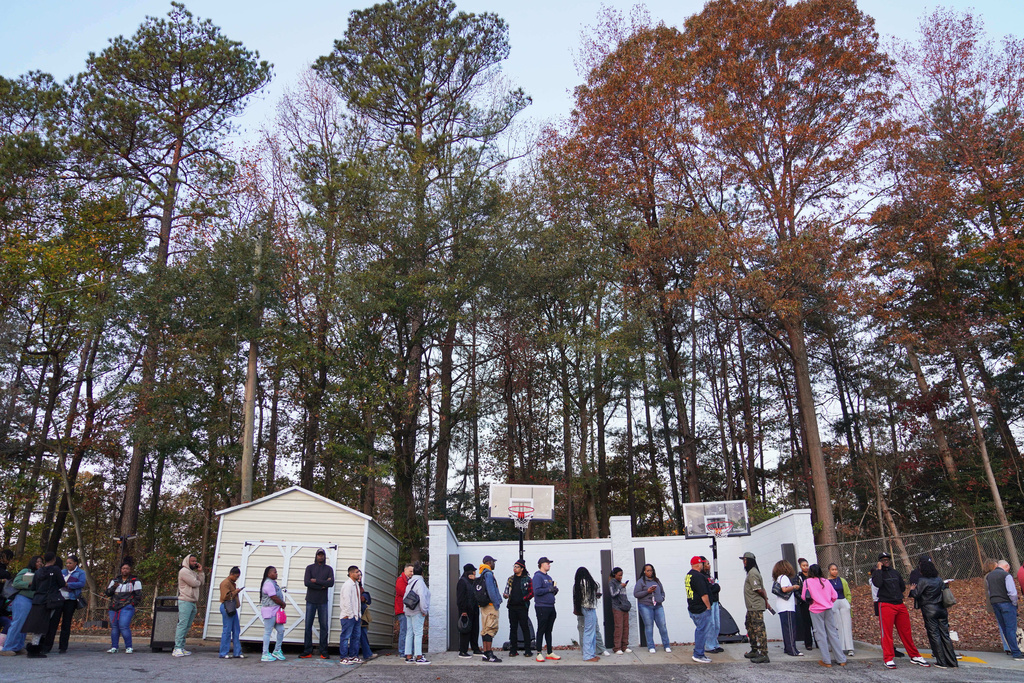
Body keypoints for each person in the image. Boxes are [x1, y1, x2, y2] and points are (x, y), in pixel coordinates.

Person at [871, 552, 929, 669]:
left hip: (899, 603)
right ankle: (888, 658)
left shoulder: (895, 572)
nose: (885, 561)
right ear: (879, 562)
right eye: (883, 559)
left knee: (906, 631)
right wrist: (878, 570)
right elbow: (878, 583)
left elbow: (902, 586)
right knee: (887, 633)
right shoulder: (877, 573)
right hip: (886, 604)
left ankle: (914, 655)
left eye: (887, 559)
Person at [911, 559, 957, 668]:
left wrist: (913, 589)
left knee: (934, 635)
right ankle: (952, 661)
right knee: (945, 635)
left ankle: (941, 661)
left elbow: (916, 594)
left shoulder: (922, 580)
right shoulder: (939, 580)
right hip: (941, 608)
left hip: (929, 609)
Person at [801, 564, 846, 668]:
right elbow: (834, 596)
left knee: (820, 634)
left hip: (816, 610)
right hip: (828, 609)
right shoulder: (826, 581)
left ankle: (827, 660)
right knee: (833, 633)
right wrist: (827, 601)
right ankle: (841, 659)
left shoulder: (807, 582)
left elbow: (804, 596)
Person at [22, 552, 65, 658]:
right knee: (44, 624)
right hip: (50, 600)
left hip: (38, 600)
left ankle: (35, 646)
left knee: (37, 624)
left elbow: (34, 587)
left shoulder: (39, 571)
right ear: (54, 559)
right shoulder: (56, 570)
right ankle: (36, 648)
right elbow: (61, 584)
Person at [0, 555, 40, 656]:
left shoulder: (39, 573)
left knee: (25, 625)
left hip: (31, 600)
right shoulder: (26, 570)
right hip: (22, 599)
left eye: (41, 562)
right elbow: (16, 583)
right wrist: (29, 584)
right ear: (33, 562)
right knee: (17, 623)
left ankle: (18, 647)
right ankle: (7, 648)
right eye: (38, 561)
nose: (40, 563)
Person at [300, 548, 334, 659]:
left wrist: (316, 581)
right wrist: (323, 585)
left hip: (323, 601)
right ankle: (307, 651)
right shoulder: (309, 568)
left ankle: (323, 651)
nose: (320, 557)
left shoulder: (329, 569)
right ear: (316, 556)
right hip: (310, 600)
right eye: (319, 555)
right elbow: (307, 582)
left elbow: (331, 583)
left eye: (322, 555)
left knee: (324, 626)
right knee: (308, 626)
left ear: (324, 557)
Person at [985, 559, 1023, 660]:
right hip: (1006, 603)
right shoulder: (1006, 576)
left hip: (995, 603)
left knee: (1004, 628)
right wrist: (1014, 604)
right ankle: (1016, 653)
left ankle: (1011, 649)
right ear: (1006, 566)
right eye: (1008, 569)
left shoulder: (989, 576)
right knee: (1011, 628)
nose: (1008, 571)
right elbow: (1012, 593)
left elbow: (989, 591)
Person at [105, 557, 141, 654]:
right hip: (114, 606)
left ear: (130, 570)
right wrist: (113, 587)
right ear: (121, 570)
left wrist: (131, 604)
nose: (125, 570)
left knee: (124, 625)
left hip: (127, 605)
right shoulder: (115, 580)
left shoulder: (134, 580)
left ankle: (129, 646)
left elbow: (138, 596)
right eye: (123, 568)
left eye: (127, 568)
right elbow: (107, 593)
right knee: (114, 626)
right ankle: (114, 647)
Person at [51, 554, 85, 654]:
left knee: (66, 623)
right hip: (59, 598)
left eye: (70, 563)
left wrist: (68, 584)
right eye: (67, 563)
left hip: (71, 599)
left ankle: (63, 647)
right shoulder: (62, 572)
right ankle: (48, 645)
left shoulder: (80, 573)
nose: (68, 565)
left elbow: (81, 583)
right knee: (54, 622)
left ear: (75, 563)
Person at [740, 551, 770, 664]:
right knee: (749, 625)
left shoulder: (753, 573)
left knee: (759, 629)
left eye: (745, 560)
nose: (744, 562)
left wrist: (765, 600)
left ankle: (764, 654)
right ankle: (754, 649)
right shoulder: (751, 572)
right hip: (751, 607)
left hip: (755, 606)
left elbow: (758, 589)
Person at [635, 563, 672, 655]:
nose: (650, 572)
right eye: (648, 570)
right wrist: (647, 591)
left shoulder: (657, 580)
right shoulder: (641, 581)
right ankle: (651, 646)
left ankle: (666, 645)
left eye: (651, 570)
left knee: (662, 625)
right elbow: (636, 594)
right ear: (644, 571)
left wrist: (662, 598)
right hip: (646, 606)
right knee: (649, 626)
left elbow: (662, 591)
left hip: (658, 605)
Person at [172, 553, 205, 657]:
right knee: (182, 625)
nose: (195, 563)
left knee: (187, 626)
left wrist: (200, 572)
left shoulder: (192, 572)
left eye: (195, 561)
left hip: (192, 601)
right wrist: (197, 581)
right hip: (185, 601)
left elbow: (201, 582)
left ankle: (181, 647)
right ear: (187, 561)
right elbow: (195, 583)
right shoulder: (184, 571)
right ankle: (177, 648)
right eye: (192, 561)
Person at [503, 559, 534, 658]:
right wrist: (505, 595)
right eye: (514, 566)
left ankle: (528, 650)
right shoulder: (510, 579)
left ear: (522, 568)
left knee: (525, 627)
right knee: (513, 628)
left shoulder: (527, 579)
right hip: (512, 606)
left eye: (517, 567)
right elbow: (506, 590)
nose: (514, 568)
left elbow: (531, 593)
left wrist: (523, 599)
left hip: (522, 607)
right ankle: (513, 650)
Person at [771, 559, 802, 657]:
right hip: (787, 607)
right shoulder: (784, 577)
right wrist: (794, 587)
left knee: (786, 629)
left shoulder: (779, 578)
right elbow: (784, 589)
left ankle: (787, 648)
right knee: (790, 629)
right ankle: (792, 649)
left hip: (781, 607)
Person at [533, 556, 560, 662]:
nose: (549, 565)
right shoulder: (537, 577)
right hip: (542, 606)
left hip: (550, 606)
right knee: (541, 629)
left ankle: (549, 651)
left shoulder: (548, 577)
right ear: (542, 564)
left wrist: (554, 591)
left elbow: (548, 591)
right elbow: (537, 591)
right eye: (547, 563)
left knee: (549, 630)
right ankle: (539, 652)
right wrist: (549, 589)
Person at [684, 557, 711, 663]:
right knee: (701, 631)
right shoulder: (698, 576)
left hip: (692, 607)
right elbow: (704, 594)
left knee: (700, 630)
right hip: (700, 608)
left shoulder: (689, 575)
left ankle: (700, 653)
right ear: (699, 564)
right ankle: (698, 654)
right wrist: (708, 607)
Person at [403, 560, 430, 664]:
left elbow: (405, 596)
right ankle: (419, 656)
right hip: (417, 611)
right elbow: (423, 597)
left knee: (409, 633)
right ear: (422, 573)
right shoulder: (420, 583)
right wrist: (424, 610)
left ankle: (408, 655)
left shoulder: (410, 582)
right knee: (418, 633)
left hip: (408, 610)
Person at [573, 566, 601, 662]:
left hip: (584, 607)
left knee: (590, 631)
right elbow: (595, 587)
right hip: (589, 607)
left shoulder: (578, 583)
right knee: (589, 632)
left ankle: (591, 653)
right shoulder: (585, 582)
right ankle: (588, 655)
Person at [478, 555, 502, 662]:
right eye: (493, 562)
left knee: (485, 629)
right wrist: (496, 603)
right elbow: (491, 590)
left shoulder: (482, 573)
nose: (494, 564)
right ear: (488, 562)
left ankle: (485, 653)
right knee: (490, 629)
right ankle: (489, 654)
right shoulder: (488, 574)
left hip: (484, 606)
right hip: (491, 606)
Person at [260, 566, 286, 662]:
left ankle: (277, 650)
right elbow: (273, 597)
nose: (276, 574)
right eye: (274, 572)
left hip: (276, 611)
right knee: (268, 632)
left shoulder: (273, 583)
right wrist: (282, 603)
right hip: (269, 611)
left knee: (281, 630)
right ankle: (265, 653)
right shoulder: (268, 584)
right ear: (269, 574)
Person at [827, 563, 854, 657]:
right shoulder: (827, 582)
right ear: (829, 571)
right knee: (837, 626)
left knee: (846, 625)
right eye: (832, 569)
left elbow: (847, 592)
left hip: (843, 601)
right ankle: (840, 647)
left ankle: (850, 648)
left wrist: (848, 602)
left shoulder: (842, 580)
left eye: (836, 569)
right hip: (833, 603)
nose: (834, 571)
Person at [339, 565, 363, 665]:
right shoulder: (348, 585)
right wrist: (350, 614)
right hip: (348, 616)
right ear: (351, 573)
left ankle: (353, 655)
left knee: (356, 637)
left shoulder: (356, 585)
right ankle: (343, 657)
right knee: (345, 636)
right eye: (357, 572)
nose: (359, 574)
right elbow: (347, 601)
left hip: (356, 616)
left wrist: (358, 614)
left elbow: (357, 600)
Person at [456, 563, 481, 658]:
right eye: (473, 571)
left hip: (474, 608)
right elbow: (460, 598)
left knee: (475, 629)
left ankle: (475, 648)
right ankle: (463, 650)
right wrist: (463, 610)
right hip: (466, 610)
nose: (475, 573)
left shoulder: (472, 582)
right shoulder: (462, 582)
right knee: (465, 630)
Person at [218, 566, 243, 659]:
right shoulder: (225, 583)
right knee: (227, 630)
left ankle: (237, 652)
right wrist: (236, 591)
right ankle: (223, 652)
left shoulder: (231, 583)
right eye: (236, 576)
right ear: (231, 574)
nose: (236, 579)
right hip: (226, 607)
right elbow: (226, 596)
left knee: (236, 630)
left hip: (232, 607)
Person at [608, 567, 632, 655]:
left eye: (622, 575)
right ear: (614, 574)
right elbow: (613, 594)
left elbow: (623, 596)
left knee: (626, 627)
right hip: (617, 607)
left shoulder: (620, 583)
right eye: (619, 575)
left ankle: (624, 646)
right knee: (619, 627)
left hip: (624, 607)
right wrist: (620, 587)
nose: (621, 577)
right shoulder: (612, 583)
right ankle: (617, 647)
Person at [702, 557, 723, 654]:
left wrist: (716, 586)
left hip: (715, 601)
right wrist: (716, 586)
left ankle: (715, 643)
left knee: (716, 624)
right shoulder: (702, 577)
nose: (709, 566)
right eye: (707, 564)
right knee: (711, 624)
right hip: (709, 602)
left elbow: (714, 587)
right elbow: (710, 589)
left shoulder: (709, 577)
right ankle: (709, 645)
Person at [794, 557, 814, 650]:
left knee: (815, 623)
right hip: (804, 603)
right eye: (803, 566)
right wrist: (802, 599)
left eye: (807, 565)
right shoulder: (798, 577)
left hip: (814, 602)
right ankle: (808, 643)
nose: (806, 567)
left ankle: (818, 642)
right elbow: (796, 591)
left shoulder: (812, 576)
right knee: (806, 624)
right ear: (800, 566)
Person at [394, 564, 413, 658]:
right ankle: (402, 651)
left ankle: (408, 651)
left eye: (413, 571)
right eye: (410, 571)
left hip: (406, 609)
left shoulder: (407, 580)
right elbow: (403, 592)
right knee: (404, 631)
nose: (412, 573)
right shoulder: (401, 580)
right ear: (405, 570)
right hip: (402, 609)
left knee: (408, 631)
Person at [356, 570, 376, 661]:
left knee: (363, 632)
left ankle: (367, 653)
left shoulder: (360, 588)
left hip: (362, 614)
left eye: (361, 576)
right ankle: (356, 654)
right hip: (355, 614)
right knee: (357, 634)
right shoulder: (352, 587)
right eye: (358, 575)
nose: (359, 577)